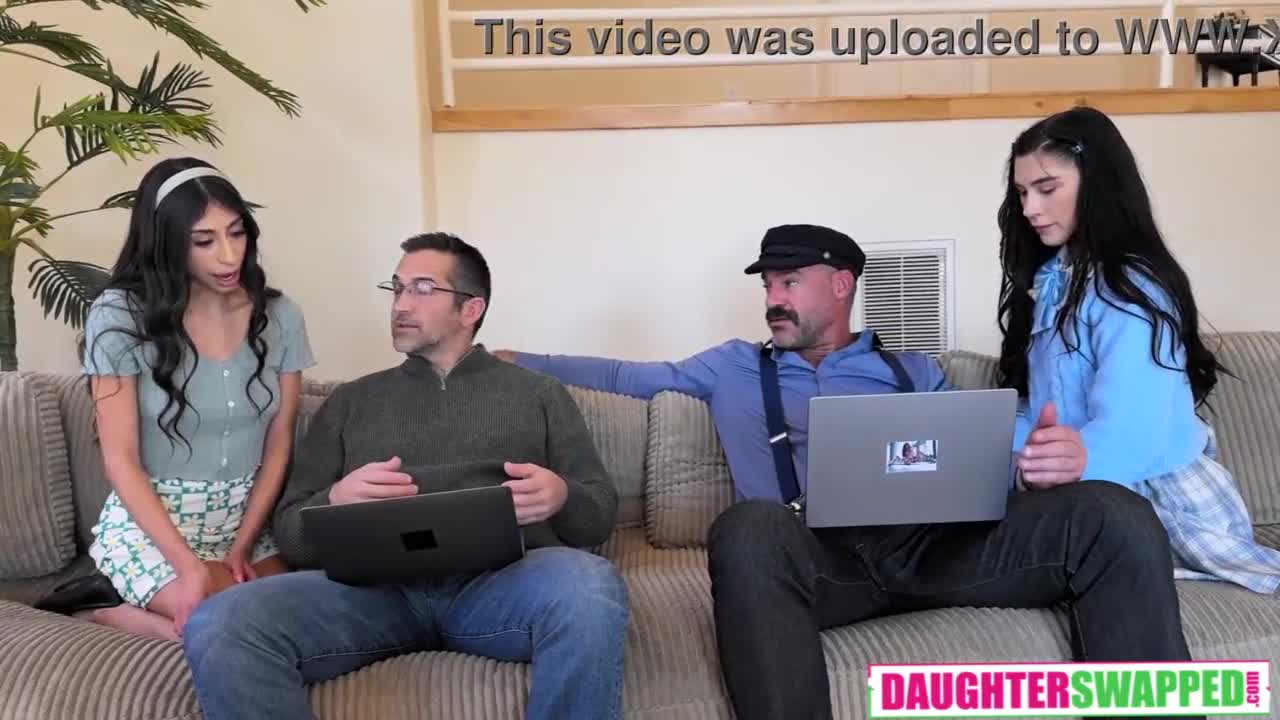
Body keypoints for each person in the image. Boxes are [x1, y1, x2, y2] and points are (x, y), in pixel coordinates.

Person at [495, 222, 1197, 720]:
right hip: (819, 563)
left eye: (789, 282)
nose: (773, 298)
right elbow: (625, 375)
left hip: (934, 549)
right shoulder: (730, 366)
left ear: (840, 285)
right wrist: (515, 362)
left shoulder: (915, 369)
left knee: (1112, 512)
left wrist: (1027, 466)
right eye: (768, 284)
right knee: (747, 526)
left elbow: (972, 460)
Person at [179, 232, 628, 720]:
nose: (400, 305)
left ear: (470, 308)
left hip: (501, 589)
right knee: (221, 622)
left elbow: (599, 512)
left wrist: (561, 496)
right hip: (369, 598)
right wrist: (334, 500)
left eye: (422, 289)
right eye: (396, 288)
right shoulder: (351, 401)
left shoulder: (539, 394)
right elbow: (290, 532)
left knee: (589, 586)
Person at [998, 105, 1280, 593]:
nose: (1029, 209)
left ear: (1098, 184)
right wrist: (1016, 453)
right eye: (1022, 193)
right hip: (1090, 486)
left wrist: (1068, 461)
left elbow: (1136, 427)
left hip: (1162, 496)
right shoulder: (1052, 281)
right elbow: (1044, 404)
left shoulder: (1132, 289)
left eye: (1046, 188)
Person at [37, 157, 314, 642]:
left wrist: (244, 543)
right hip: (155, 531)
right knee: (239, 630)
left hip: (244, 523)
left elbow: (279, 442)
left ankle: (140, 613)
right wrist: (189, 568)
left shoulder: (280, 314)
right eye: (204, 241)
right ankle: (111, 614)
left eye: (237, 233)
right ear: (165, 242)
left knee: (300, 623)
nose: (228, 256)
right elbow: (120, 460)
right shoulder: (118, 316)